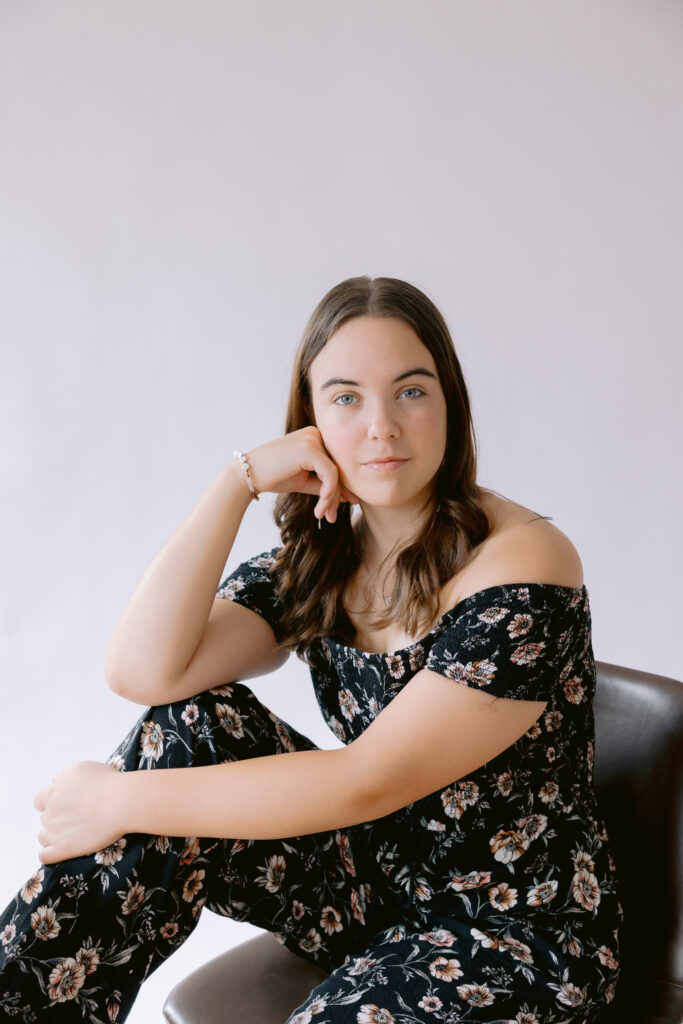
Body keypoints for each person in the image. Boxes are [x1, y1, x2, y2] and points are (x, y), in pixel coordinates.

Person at [0, 275, 622, 1023]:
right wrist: (236, 483)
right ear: (311, 420)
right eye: (346, 397)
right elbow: (144, 672)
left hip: (512, 930)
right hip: (373, 883)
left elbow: (367, 780)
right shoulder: (325, 554)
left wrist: (115, 798)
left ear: (450, 404)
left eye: (411, 392)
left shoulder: (527, 563)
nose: (381, 427)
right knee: (191, 724)